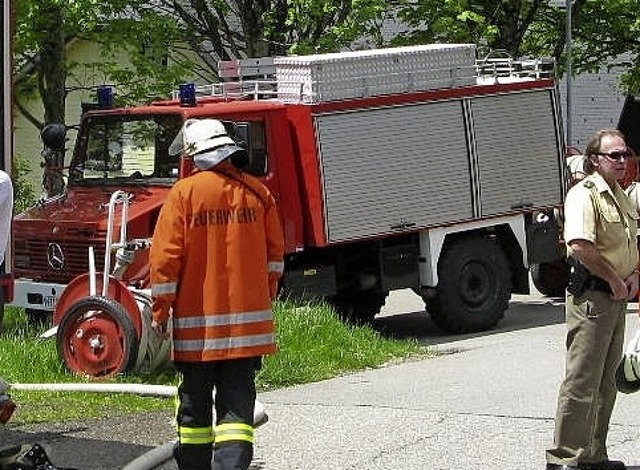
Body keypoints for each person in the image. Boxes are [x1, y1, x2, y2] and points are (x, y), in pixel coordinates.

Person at [149, 118, 285, 470]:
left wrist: (160, 311)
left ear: (195, 154)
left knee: (195, 406)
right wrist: (260, 299)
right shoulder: (258, 194)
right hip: (247, 333)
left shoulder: (183, 195)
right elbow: (274, 260)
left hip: (198, 334)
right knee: (238, 409)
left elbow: (165, 261)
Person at [546, 129, 639, 470]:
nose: (622, 160)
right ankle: (564, 457)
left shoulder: (620, 194)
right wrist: (615, 279)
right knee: (582, 380)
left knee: (607, 381)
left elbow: (630, 242)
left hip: (615, 297)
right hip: (593, 298)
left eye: (625, 154)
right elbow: (581, 246)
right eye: (614, 155)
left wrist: (633, 276)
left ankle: (594, 454)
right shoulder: (584, 195)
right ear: (595, 160)